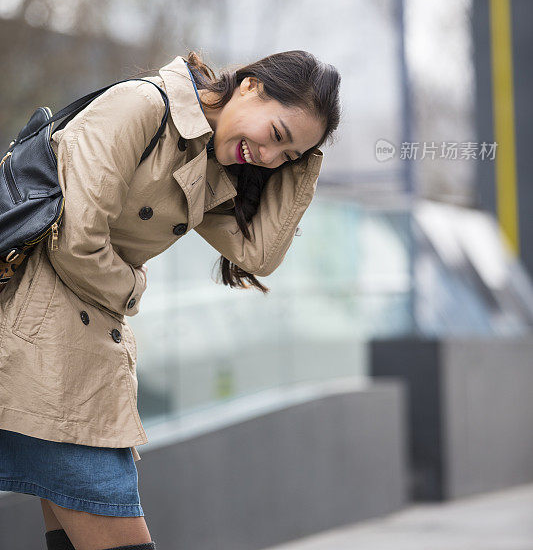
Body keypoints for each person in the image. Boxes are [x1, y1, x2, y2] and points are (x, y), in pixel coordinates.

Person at [0, 49, 341, 550]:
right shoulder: (142, 107)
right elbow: (77, 237)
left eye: (286, 156)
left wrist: (307, 162)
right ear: (250, 86)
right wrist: (134, 287)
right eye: (278, 136)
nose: (269, 158)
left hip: (74, 354)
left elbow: (259, 252)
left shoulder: (204, 164)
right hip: (38, 345)